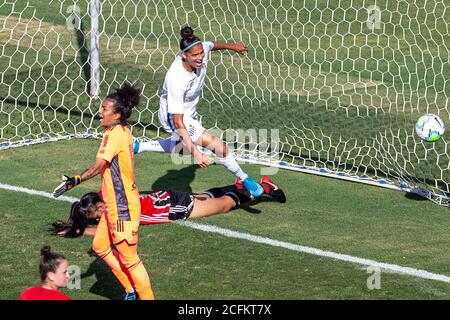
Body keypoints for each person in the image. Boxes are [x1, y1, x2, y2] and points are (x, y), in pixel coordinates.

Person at [134, 26, 265, 198]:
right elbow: (178, 121)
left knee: (182, 146)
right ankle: (245, 179)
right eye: (195, 55)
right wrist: (196, 154)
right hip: (173, 117)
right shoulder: (176, 79)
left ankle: (139, 146)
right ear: (184, 56)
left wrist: (234, 47)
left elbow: (211, 45)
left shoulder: (201, 50)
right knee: (219, 147)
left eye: (201, 53)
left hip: (188, 113)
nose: (200, 57)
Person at [52, 83, 154, 300]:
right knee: (100, 246)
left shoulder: (113, 135)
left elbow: (99, 166)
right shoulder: (122, 130)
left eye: (105, 109)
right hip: (113, 203)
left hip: (122, 207)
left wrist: (76, 180)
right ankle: (130, 290)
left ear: (116, 115)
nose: (99, 112)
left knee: (130, 259)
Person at [52, 176, 286, 238]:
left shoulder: (117, 214)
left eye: (97, 213)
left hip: (174, 207)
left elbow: (110, 232)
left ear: (101, 205)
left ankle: (264, 188)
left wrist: (79, 230)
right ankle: (237, 185)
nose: (99, 217)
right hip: (165, 197)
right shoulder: (109, 196)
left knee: (223, 206)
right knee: (205, 196)